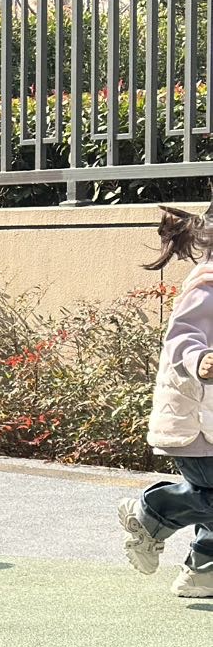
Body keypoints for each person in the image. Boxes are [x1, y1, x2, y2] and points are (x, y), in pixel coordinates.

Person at [119, 205, 213, 599]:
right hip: (196, 422)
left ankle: (202, 571)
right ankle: (155, 511)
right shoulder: (207, 286)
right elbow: (181, 336)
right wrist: (199, 358)